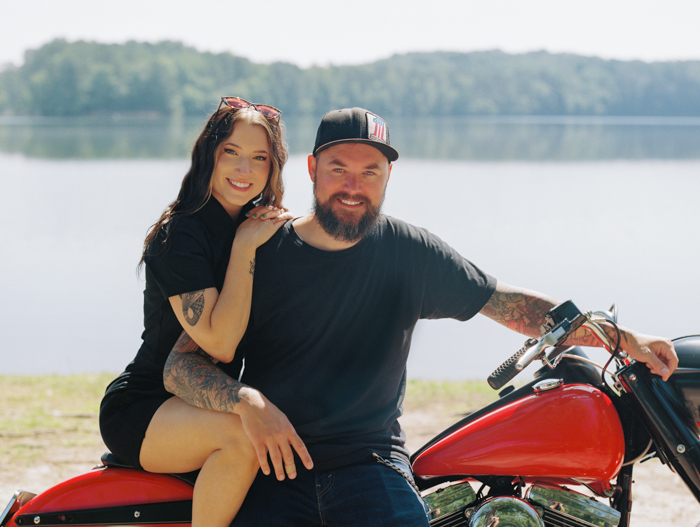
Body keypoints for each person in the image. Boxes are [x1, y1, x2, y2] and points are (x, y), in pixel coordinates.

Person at [163, 107, 679, 527]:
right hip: (273, 465)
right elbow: (181, 366)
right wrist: (245, 402)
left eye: (370, 172)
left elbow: (513, 307)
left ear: (389, 176)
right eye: (339, 168)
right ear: (312, 170)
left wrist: (624, 337)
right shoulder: (263, 251)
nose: (353, 186)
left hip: (371, 467)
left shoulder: (408, 251)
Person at [99, 97, 313, 527]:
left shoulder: (259, 226)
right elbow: (220, 340)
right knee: (244, 439)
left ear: (274, 167)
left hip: (204, 399)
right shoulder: (181, 233)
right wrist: (245, 247)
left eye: (259, 158)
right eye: (230, 152)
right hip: (145, 405)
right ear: (208, 156)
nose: (243, 170)